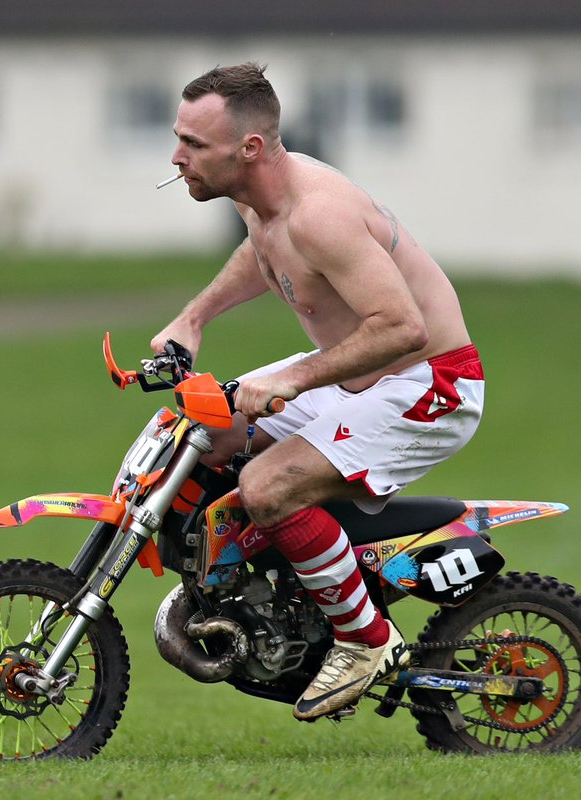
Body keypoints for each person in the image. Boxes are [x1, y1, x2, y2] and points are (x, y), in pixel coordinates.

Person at [150, 63, 485, 721]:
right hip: (358, 375)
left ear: (248, 149)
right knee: (205, 432)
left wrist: (288, 380)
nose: (177, 156)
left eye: (194, 143)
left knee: (269, 486)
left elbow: (401, 326)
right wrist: (195, 317)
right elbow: (263, 252)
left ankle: (365, 639)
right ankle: (274, 594)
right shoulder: (262, 197)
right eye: (179, 137)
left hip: (430, 382)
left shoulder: (319, 215)